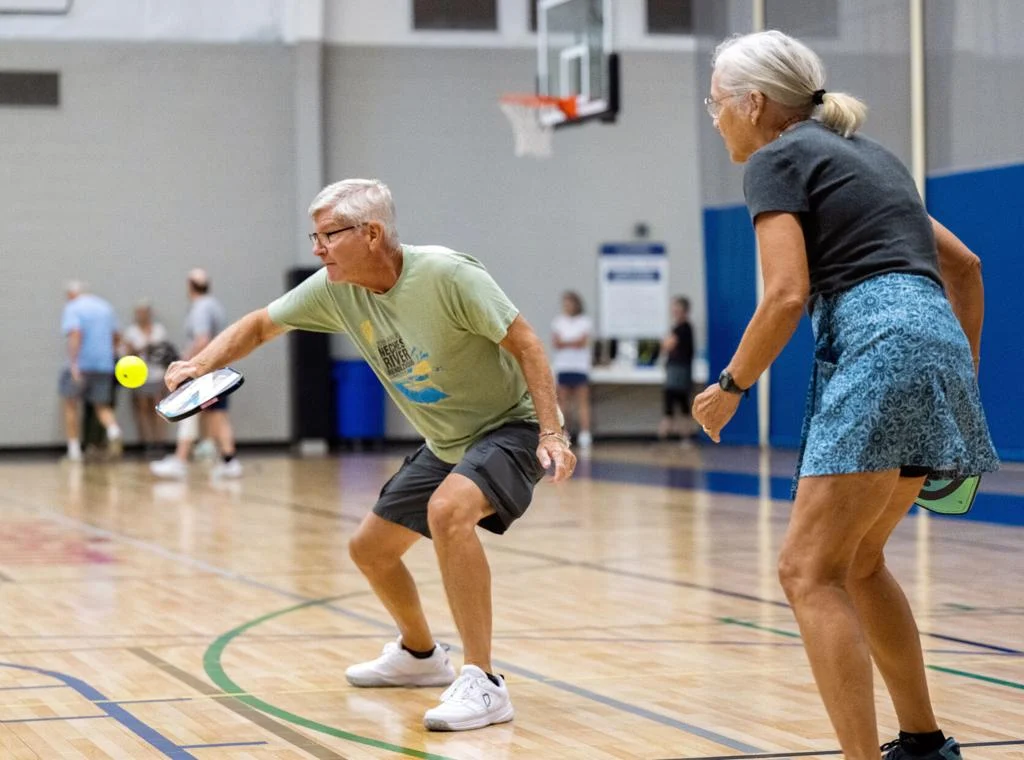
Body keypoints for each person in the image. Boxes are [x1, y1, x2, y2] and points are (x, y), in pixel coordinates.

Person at [161, 179, 576, 731]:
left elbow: (526, 343)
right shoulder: (337, 288)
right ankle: (421, 656)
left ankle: (484, 681)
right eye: (316, 235)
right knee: (371, 550)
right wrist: (201, 364)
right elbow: (262, 323)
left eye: (328, 235)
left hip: (510, 426)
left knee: (449, 512)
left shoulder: (449, 275)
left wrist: (552, 433)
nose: (317, 248)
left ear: (372, 233)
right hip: (446, 442)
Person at [693, 31, 999, 760]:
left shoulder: (778, 157)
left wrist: (731, 386)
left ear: (754, 103)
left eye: (717, 104)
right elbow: (966, 267)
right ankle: (924, 745)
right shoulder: (870, 158)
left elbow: (786, 295)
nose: (715, 119)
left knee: (807, 570)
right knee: (858, 562)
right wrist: (955, 376)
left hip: (878, 346)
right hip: (932, 346)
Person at [150, 269, 241, 479]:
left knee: (187, 412)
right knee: (218, 415)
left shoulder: (200, 308)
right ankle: (229, 459)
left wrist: (187, 363)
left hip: (204, 368)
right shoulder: (215, 305)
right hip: (217, 367)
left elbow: (202, 339)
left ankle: (180, 460)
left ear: (190, 286)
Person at [59, 281, 123, 461]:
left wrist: (74, 364)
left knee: (71, 405)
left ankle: (73, 451)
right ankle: (113, 430)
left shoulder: (73, 307)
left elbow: (75, 334)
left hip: (82, 364)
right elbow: (117, 335)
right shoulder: (105, 307)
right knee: (101, 405)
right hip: (104, 364)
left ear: (72, 294)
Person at [122, 300, 174, 457]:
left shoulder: (159, 330)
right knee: (143, 409)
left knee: (159, 409)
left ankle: (160, 442)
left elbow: (166, 352)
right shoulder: (131, 332)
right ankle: (147, 442)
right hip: (140, 375)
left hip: (157, 374)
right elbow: (127, 355)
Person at [551, 290, 593, 450]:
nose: (567, 306)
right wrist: (571, 342)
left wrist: (566, 342)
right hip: (564, 366)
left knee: (582, 401)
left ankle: (585, 433)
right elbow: (556, 342)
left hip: (579, 366)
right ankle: (563, 432)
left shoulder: (584, 321)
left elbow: (582, 342)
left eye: (570, 303)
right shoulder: (558, 322)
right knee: (563, 402)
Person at [658, 296, 696, 444]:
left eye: (677, 309)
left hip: (679, 370)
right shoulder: (680, 328)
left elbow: (668, 345)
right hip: (678, 369)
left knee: (676, 401)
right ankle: (675, 435)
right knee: (679, 403)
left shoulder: (683, 328)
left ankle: (667, 435)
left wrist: (665, 343)